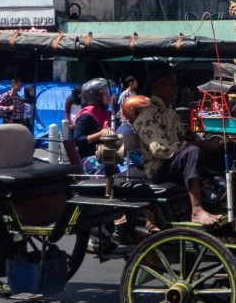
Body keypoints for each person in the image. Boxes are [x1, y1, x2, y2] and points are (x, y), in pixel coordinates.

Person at [133, 63, 227, 226]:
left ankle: (228, 198)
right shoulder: (147, 116)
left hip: (176, 161)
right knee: (193, 152)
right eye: (170, 84)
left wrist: (203, 141)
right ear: (157, 86)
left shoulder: (170, 112)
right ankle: (197, 210)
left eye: (175, 84)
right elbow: (160, 149)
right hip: (159, 167)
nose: (175, 89)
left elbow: (182, 137)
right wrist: (199, 145)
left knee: (226, 148)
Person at [73, 78, 114, 169]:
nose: (109, 96)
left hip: (103, 154)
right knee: (108, 165)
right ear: (97, 96)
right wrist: (100, 134)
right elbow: (77, 140)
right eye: (106, 93)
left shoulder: (104, 113)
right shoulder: (87, 115)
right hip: (88, 158)